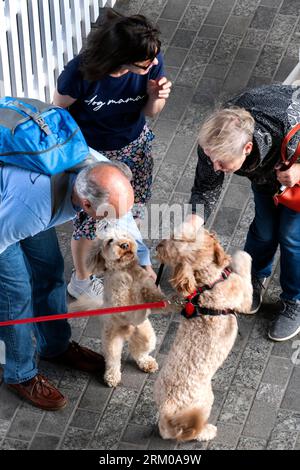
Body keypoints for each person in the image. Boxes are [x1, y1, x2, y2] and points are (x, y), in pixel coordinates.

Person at [0, 151, 151, 410]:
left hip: (30, 194)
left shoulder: (99, 171)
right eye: (107, 217)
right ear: (86, 206)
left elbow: (123, 217)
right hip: (9, 215)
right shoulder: (32, 211)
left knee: (49, 271)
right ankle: (20, 373)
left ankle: (55, 347)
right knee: (15, 294)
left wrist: (145, 264)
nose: (113, 222)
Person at [53, 9, 172, 300]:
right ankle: (81, 280)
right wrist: (74, 159)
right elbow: (58, 114)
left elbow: (149, 113)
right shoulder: (80, 73)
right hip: (95, 157)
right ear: (122, 56)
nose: (154, 62)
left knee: (133, 209)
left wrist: (157, 98)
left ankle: (124, 260)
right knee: (88, 222)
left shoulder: (150, 65)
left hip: (135, 147)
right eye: (147, 60)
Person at [189, 84, 300, 342]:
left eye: (222, 162)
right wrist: (192, 225)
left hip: (294, 172)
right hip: (265, 176)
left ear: (247, 148)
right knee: (264, 229)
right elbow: (205, 187)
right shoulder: (216, 139)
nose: (214, 167)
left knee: (292, 238)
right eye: (210, 159)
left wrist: (298, 171)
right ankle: (253, 279)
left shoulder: (291, 123)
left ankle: (294, 300)